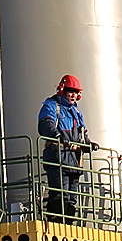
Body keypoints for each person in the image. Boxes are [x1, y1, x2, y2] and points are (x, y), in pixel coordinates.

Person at [39, 75, 91, 221]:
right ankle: (56, 221)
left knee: (71, 195)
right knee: (59, 192)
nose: (73, 95)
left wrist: (88, 143)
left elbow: (82, 132)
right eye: (70, 91)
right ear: (63, 90)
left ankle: (68, 222)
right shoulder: (52, 106)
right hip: (58, 155)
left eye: (76, 92)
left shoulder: (76, 112)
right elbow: (45, 124)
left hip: (74, 159)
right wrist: (56, 135)